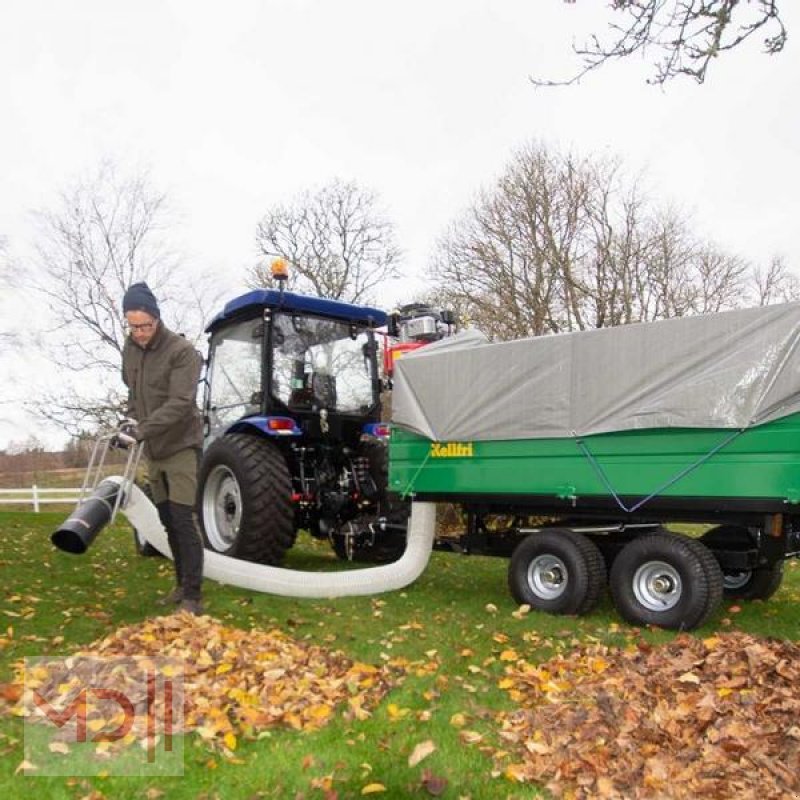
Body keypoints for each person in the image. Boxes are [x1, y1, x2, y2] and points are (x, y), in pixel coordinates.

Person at [121, 281, 205, 615]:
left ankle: (193, 597)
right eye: (133, 327)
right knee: (167, 519)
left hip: (181, 446)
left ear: (156, 318)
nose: (140, 333)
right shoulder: (130, 349)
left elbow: (180, 403)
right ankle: (181, 584)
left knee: (183, 520)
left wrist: (141, 430)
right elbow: (133, 393)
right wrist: (129, 422)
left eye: (145, 326)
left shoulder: (182, 352)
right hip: (153, 450)